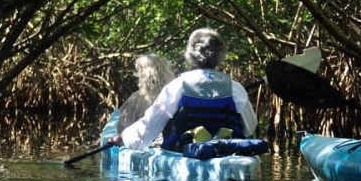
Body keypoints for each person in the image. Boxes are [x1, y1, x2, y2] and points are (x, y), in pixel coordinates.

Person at [109, 28, 258, 151]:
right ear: (220, 56)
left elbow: (149, 126)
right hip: (228, 152)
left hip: (185, 153)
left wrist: (123, 137)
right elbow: (250, 127)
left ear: (190, 55)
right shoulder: (236, 88)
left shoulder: (176, 87)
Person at [116, 53, 176, 133]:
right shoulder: (177, 90)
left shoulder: (136, 98)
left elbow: (122, 128)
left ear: (142, 74)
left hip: (147, 142)